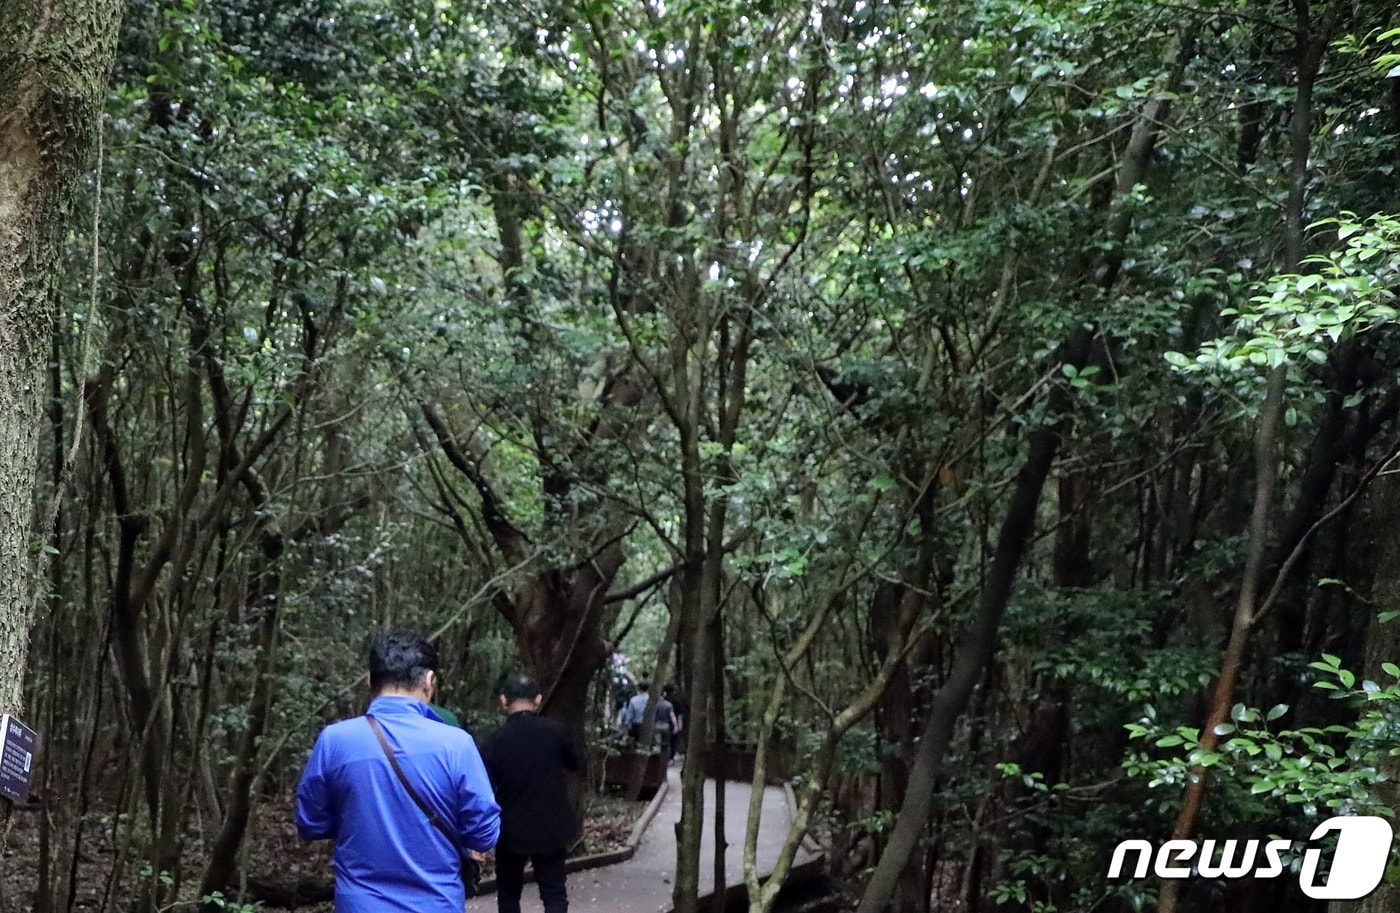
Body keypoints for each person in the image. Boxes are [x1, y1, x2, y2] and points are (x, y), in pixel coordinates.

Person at [295, 629, 500, 913]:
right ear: (429, 681)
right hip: (436, 903)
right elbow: (484, 834)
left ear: (370, 680)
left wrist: (358, 819)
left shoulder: (334, 741)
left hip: (360, 905)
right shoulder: (456, 744)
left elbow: (309, 822)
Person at [479, 675, 583, 913]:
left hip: (511, 830)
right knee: (554, 894)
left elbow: (484, 787)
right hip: (551, 827)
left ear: (504, 700)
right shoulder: (556, 732)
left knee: (508, 895)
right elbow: (575, 763)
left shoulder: (494, 741)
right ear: (538, 699)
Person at [662, 683, 687, 760]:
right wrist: (680, 725)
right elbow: (679, 715)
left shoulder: (663, 701)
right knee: (673, 741)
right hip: (673, 724)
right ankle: (671, 757)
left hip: (664, 723)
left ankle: (664, 756)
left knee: (664, 741)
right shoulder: (677, 700)